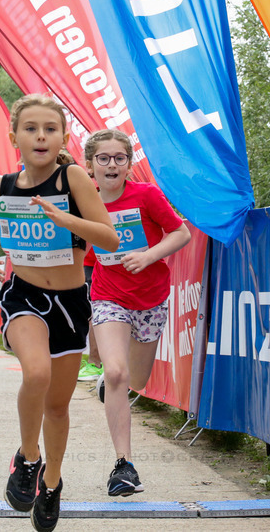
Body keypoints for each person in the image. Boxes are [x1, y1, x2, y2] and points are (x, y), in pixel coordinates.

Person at [0, 94, 118, 532]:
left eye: (50, 129)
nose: (40, 136)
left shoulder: (73, 177)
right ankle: (28, 458)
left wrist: (64, 217)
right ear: (14, 136)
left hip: (70, 305)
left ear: (63, 137)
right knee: (36, 375)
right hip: (25, 296)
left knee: (57, 406)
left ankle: (51, 483)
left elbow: (109, 238)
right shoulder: (2, 185)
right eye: (31, 128)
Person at [83, 129, 191, 497]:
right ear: (90, 165)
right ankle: (123, 466)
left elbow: (181, 234)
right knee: (116, 372)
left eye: (119, 158)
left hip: (151, 299)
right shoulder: (86, 205)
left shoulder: (146, 195)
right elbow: (82, 259)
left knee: (137, 382)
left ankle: (110, 379)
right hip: (107, 296)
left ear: (129, 164)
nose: (111, 164)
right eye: (103, 158)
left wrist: (148, 255)